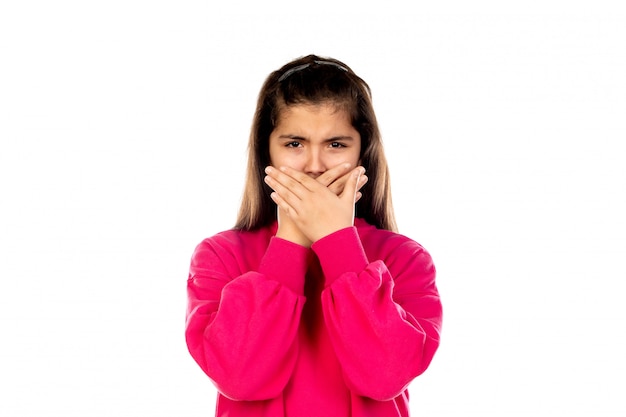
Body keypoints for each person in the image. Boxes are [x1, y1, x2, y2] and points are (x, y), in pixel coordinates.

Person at [185, 54, 443, 417]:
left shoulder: (405, 258)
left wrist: (337, 241)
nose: (315, 165)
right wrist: (289, 242)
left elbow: (386, 377)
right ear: (266, 153)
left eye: (336, 144)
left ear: (362, 153)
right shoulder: (221, 255)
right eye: (294, 144)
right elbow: (238, 378)